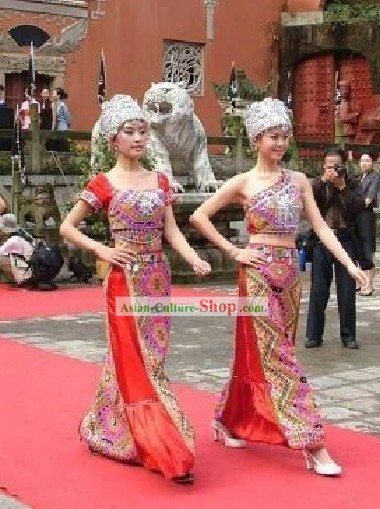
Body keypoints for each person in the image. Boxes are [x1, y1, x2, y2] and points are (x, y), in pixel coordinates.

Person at [190, 98, 366, 476]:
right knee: (281, 357)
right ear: (256, 139)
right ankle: (312, 441)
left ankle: (228, 419)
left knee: (263, 352)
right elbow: (199, 215)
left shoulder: (299, 180)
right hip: (255, 273)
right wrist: (234, 252)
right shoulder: (243, 182)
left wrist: (352, 265)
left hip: (290, 275)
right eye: (273, 136)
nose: (280, 143)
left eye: (285, 136)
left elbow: (319, 228)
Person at [60, 94, 211, 484]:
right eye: (130, 131)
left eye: (143, 130)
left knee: (154, 355)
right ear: (113, 139)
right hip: (122, 280)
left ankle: (110, 425)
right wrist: (103, 249)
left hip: (158, 277)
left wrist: (192, 258)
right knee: (134, 357)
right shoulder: (103, 183)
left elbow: (171, 230)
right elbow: (67, 227)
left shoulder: (160, 180)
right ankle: (162, 443)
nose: (139, 137)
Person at [306, 148, 365, 349]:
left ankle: (348, 335)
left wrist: (342, 187)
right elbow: (308, 202)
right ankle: (314, 335)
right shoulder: (317, 184)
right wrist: (324, 180)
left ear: (344, 166)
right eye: (329, 165)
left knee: (347, 291)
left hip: (346, 240)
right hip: (322, 242)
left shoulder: (353, 183)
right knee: (318, 291)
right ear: (324, 165)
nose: (333, 169)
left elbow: (358, 207)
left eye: (336, 165)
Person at [355, 153, 380, 296]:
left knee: (367, 249)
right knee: (358, 249)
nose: (364, 163)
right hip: (357, 216)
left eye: (367, 160)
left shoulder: (374, 178)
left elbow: (368, 200)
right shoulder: (358, 178)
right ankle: (362, 282)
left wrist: (354, 204)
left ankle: (369, 285)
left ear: (372, 162)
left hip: (366, 216)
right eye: (362, 160)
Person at [0, 213, 33, 286]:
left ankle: (18, 279)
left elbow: (1, 251)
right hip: (30, 267)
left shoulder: (13, 240)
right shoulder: (24, 233)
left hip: (26, 272)